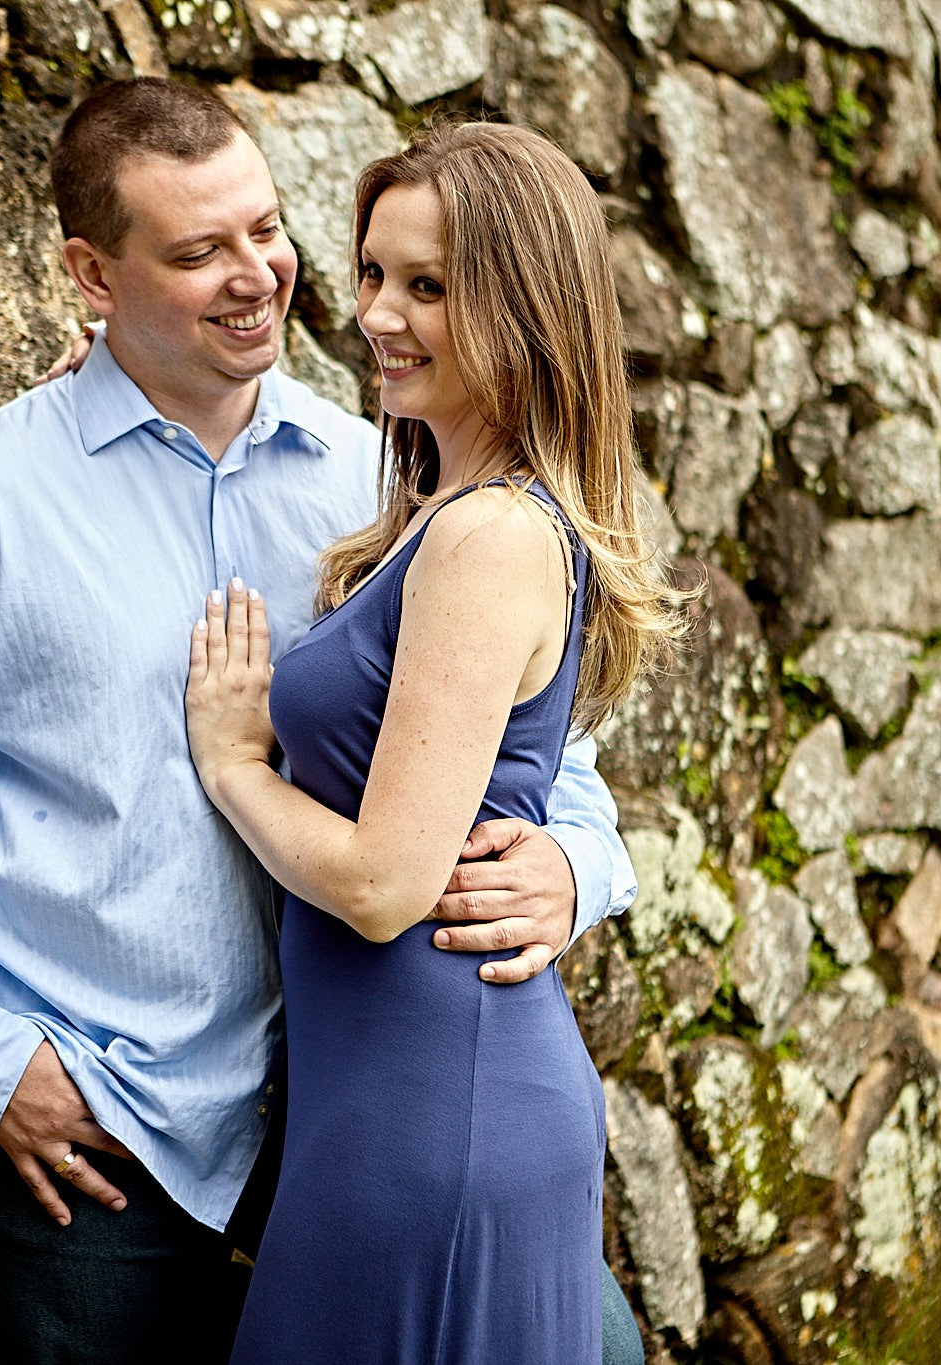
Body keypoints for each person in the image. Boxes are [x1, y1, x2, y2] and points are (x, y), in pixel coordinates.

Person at [0, 78, 643, 1365]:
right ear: (90, 274)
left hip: (358, 1107)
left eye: (267, 230)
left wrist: (574, 868)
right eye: (195, 253)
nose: (256, 278)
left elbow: (544, 750)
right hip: (106, 1135)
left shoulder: (385, 473)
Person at [182, 123, 685, 1363]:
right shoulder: (437, 512)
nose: (379, 316)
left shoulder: (488, 539)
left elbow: (382, 885)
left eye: (428, 287)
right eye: (369, 274)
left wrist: (236, 765)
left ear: (520, 307)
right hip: (386, 1112)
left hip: (439, 1118)